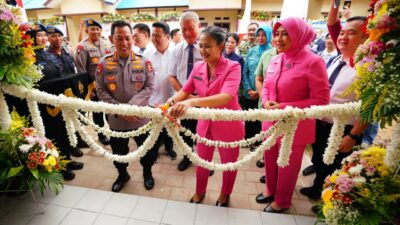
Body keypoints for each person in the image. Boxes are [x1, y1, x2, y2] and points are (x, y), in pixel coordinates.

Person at [255, 17, 330, 213]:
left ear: (299, 34)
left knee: (287, 166)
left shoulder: (313, 61)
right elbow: (266, 87)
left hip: (295, 127)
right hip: (271, 122)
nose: (279, 38)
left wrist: (284, 106)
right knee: (270, 160)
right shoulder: (276, 58)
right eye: (277, 33)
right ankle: (271, 190)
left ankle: (283, 201)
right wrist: (266, 101)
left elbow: (321, 100)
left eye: (285, 33)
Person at [300, 1, 369, 204]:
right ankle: (317, 186)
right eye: (342, 33)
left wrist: (353, 136)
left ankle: (329, 200)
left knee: (335, 165)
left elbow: (368, 108)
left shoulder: (367, 68)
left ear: (365, 37)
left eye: (351, 33)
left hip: (343, 128)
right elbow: (332, 23)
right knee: (319, 158)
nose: (342, 37)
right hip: (322, 122)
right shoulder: (335, 59)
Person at [168, 26, 244, 207]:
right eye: (200, 46)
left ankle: (225, 194)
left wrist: (193, 102)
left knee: (228, 164)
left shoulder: (233, 67)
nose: (203, 50)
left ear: (221, 46)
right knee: (201, 162)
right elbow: (185, 91)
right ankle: (200, 191)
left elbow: (226, 96)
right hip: (205, 125)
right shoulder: (198, 67)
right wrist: (169, 103)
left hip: (228, 124)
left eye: (208, 46)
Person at [95, 20, 158, 192]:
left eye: (128, 38)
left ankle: (147, 173)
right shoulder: (104, 63)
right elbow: (100, 90)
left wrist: (131, 107)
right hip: (116, 120)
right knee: (118, 152)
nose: (124, 43)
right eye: (119, 38)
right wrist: (122, 111)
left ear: (133, 38)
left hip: (140, 118)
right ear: (111, 39)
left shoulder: (145, 62)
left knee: (146, 150)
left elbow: (149, 87)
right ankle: (123, 174)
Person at [168, 11, 203, 172]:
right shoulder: (177, 50)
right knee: (186, 131)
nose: (187, 33)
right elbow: (172, 77)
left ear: (199, 26)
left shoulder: (206, 47)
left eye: (191, 28)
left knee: (204, 132)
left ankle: (204, 161)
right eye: (184, 29)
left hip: (204, 100)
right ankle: (188, 156)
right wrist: (187, 95)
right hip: (184, 98)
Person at [75, 18, 113, 146]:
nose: (95, 31)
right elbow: (81, 70)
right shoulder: (83, 46)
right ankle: (101, 135)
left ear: (101, 30)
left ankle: (114, 132)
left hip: (109, 85)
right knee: (97, 112)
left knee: (110, 110)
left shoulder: (106, 43)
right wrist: (89, 89)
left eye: (97, 29)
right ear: (87, 30)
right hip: (94, 86)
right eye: (92, 29)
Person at [148, 21, 177, 160]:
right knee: (154, 130)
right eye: (152, 35)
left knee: (170, 129)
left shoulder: (176, 53)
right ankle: (154, 151)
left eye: (157, 35)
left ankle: (169, 148)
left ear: (168, 37)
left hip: (171, 100)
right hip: (153, 101)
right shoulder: (147, 54)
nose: (154, 39)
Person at [242, 25, 273, 152]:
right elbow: (245, 71)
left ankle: (259, 142)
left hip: (264, 94)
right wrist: (248, 88)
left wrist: (259, 92)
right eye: (258, 35)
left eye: (264, 35)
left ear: (269, 36)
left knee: (260, 119)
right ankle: (248, 139)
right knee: (249, 117)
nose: (260, 38)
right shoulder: (251, 51)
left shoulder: (273, 52)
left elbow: (272, 76)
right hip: (249, 91)